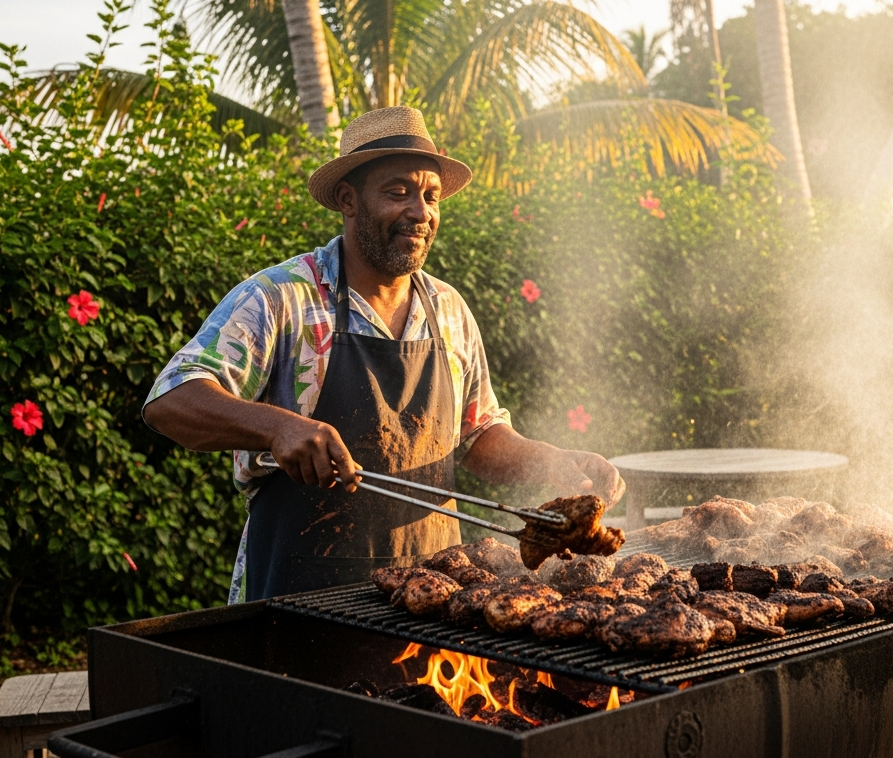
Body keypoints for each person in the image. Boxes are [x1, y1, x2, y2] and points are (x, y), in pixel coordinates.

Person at [143, 106, 624, 602]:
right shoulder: (280, 298)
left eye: (431, 196)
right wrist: (279, 426)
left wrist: (552, 461)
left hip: (433, 609)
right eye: (398, 192)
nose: (420, 213)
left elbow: (477, 435)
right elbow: (171, 398)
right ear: (348, 200)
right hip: (299, 600)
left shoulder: (449, 310)